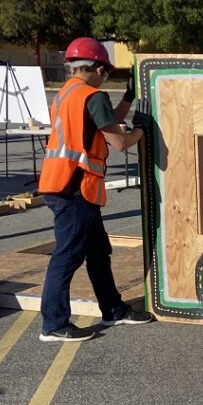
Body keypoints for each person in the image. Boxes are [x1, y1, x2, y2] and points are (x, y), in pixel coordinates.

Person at [37, 37, 154, 342]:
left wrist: (128, 100)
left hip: (63, 184)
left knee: (98, 251)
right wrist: (141, 129)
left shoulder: (66, 94)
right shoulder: (92, 95)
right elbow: (118, 141)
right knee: (67, 255)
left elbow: (105, 122)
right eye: (105, 71)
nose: (105, 77)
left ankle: (113, 309)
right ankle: (53, 324)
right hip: (75, 187)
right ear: (96, 67)